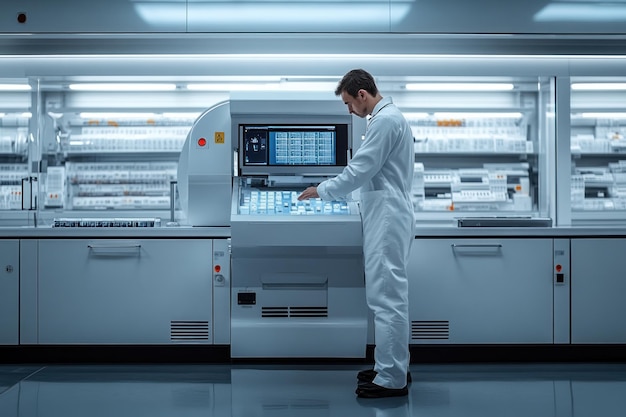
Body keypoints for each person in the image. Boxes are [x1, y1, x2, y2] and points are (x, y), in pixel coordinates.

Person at [298, 69, 415, 398]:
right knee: (386, 296)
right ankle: (389, 367)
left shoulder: (385, 121)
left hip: (388, 217)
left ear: (362, 94)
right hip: (386, 213)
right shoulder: (383, 119)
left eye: (349, 103)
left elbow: (360, 170)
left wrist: (321, 190)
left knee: (387, 298)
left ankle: (392, 379)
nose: (349, 110)